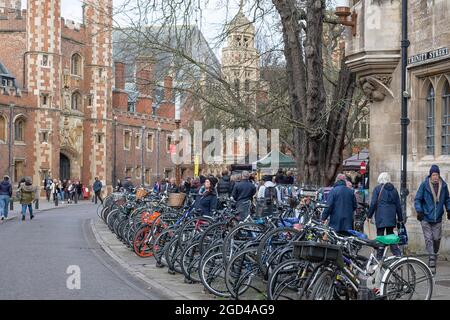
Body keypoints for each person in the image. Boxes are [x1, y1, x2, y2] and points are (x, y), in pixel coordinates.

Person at [414, 165, 450, 270]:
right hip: (425, 217)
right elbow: (417, 199)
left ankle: (433, 253)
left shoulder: (443, 186)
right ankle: (432, 258)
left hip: (437, 217)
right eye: (433, 174)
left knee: (436, 239)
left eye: (437, 174)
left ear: (439, 175)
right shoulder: (424, 185)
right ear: (430, 175)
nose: (435, 177)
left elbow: (447, 199)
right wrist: (419, 210)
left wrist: (449, 209)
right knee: (429, 239)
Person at [367, 172, 403, 259]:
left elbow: (373, 203)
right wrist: (400, 218)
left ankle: (379, 257)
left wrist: (369, 215)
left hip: (380, 217)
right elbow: (398, 205)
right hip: (391, 218)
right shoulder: (394, 190)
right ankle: (397, 255)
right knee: (391, 236)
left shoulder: (377, 189)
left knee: (380, 237)